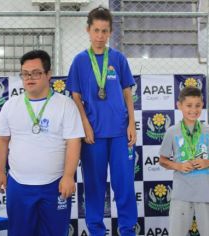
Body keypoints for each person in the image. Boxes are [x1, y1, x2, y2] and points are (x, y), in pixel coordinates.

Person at [0, 50, 84, 236]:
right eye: (25, 74)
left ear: (48, 74)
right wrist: (0, 172)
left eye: (36, 73)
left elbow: (74, 142)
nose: (30, 78)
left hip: (54, 186)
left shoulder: (65, 105)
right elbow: (1, 140)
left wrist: (68, 176)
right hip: (18, 186)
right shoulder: (10, 105)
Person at [66, 6, 138, 236]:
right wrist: (85, 125)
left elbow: (128, 92)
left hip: (119, 133)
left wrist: (131, 123)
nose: (100, 36)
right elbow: (75, 97)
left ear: (110, 32)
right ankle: (96, 232)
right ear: (88, 30)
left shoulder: (118, 58)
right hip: (93, 135)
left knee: (124, 186)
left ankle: (127, 230)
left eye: (104, 31)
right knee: (94, 188)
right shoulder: (79, 61)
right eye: (96, 30)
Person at [159, 86, 209, 236]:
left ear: (202, 105)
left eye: (197, 105)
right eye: (189, 106)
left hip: (207, 194)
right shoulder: (172, 131)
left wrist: (207, 163)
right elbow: (162, 160)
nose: (193, 110)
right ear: (179, 105)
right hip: (181, 194)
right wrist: (179, 166)